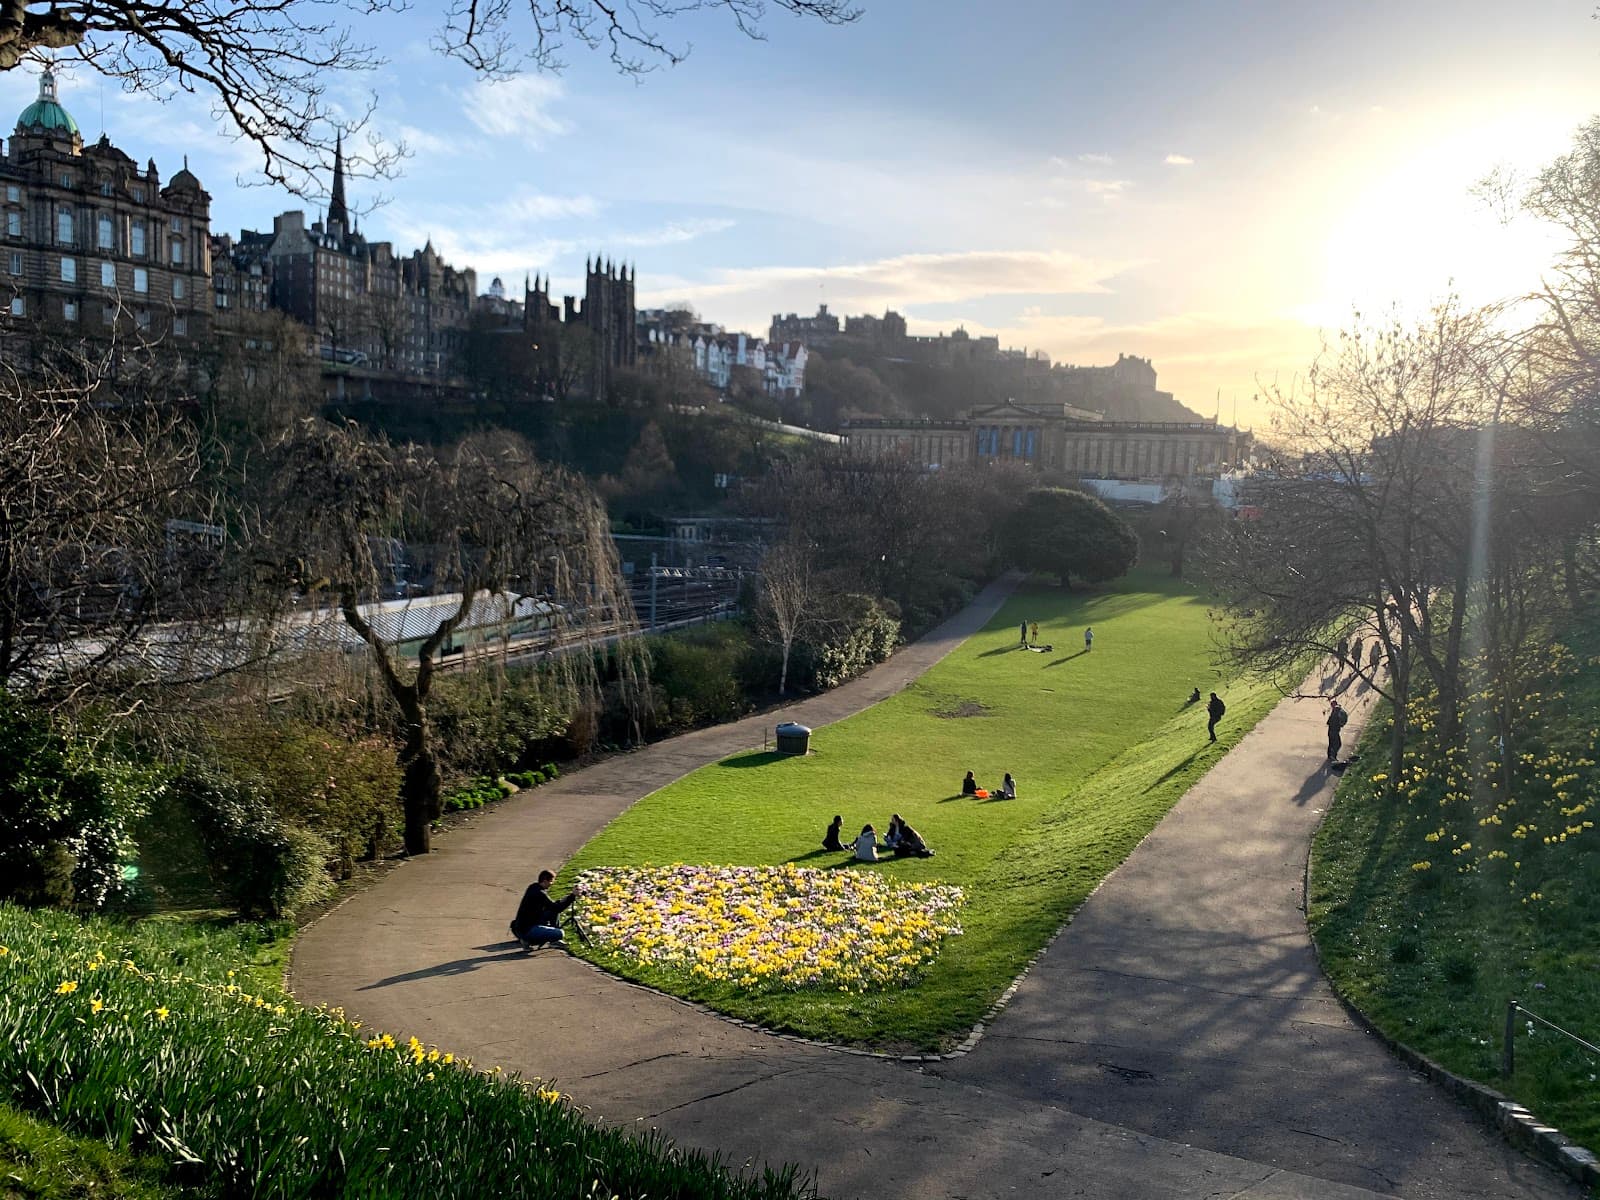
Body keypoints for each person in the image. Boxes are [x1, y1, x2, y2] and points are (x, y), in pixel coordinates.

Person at [510, 869, 577, 949]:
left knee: (552, 912)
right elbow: (556, 908)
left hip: (523, 926)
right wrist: (572, 897)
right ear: (545, 881)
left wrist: (567, 898)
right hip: (528, 929)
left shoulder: (533, 887)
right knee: (560, 933)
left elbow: (552, 906)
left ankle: (548, 940)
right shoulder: (540, 893)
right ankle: (529, 940)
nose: (551, 884)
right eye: (551, 881)